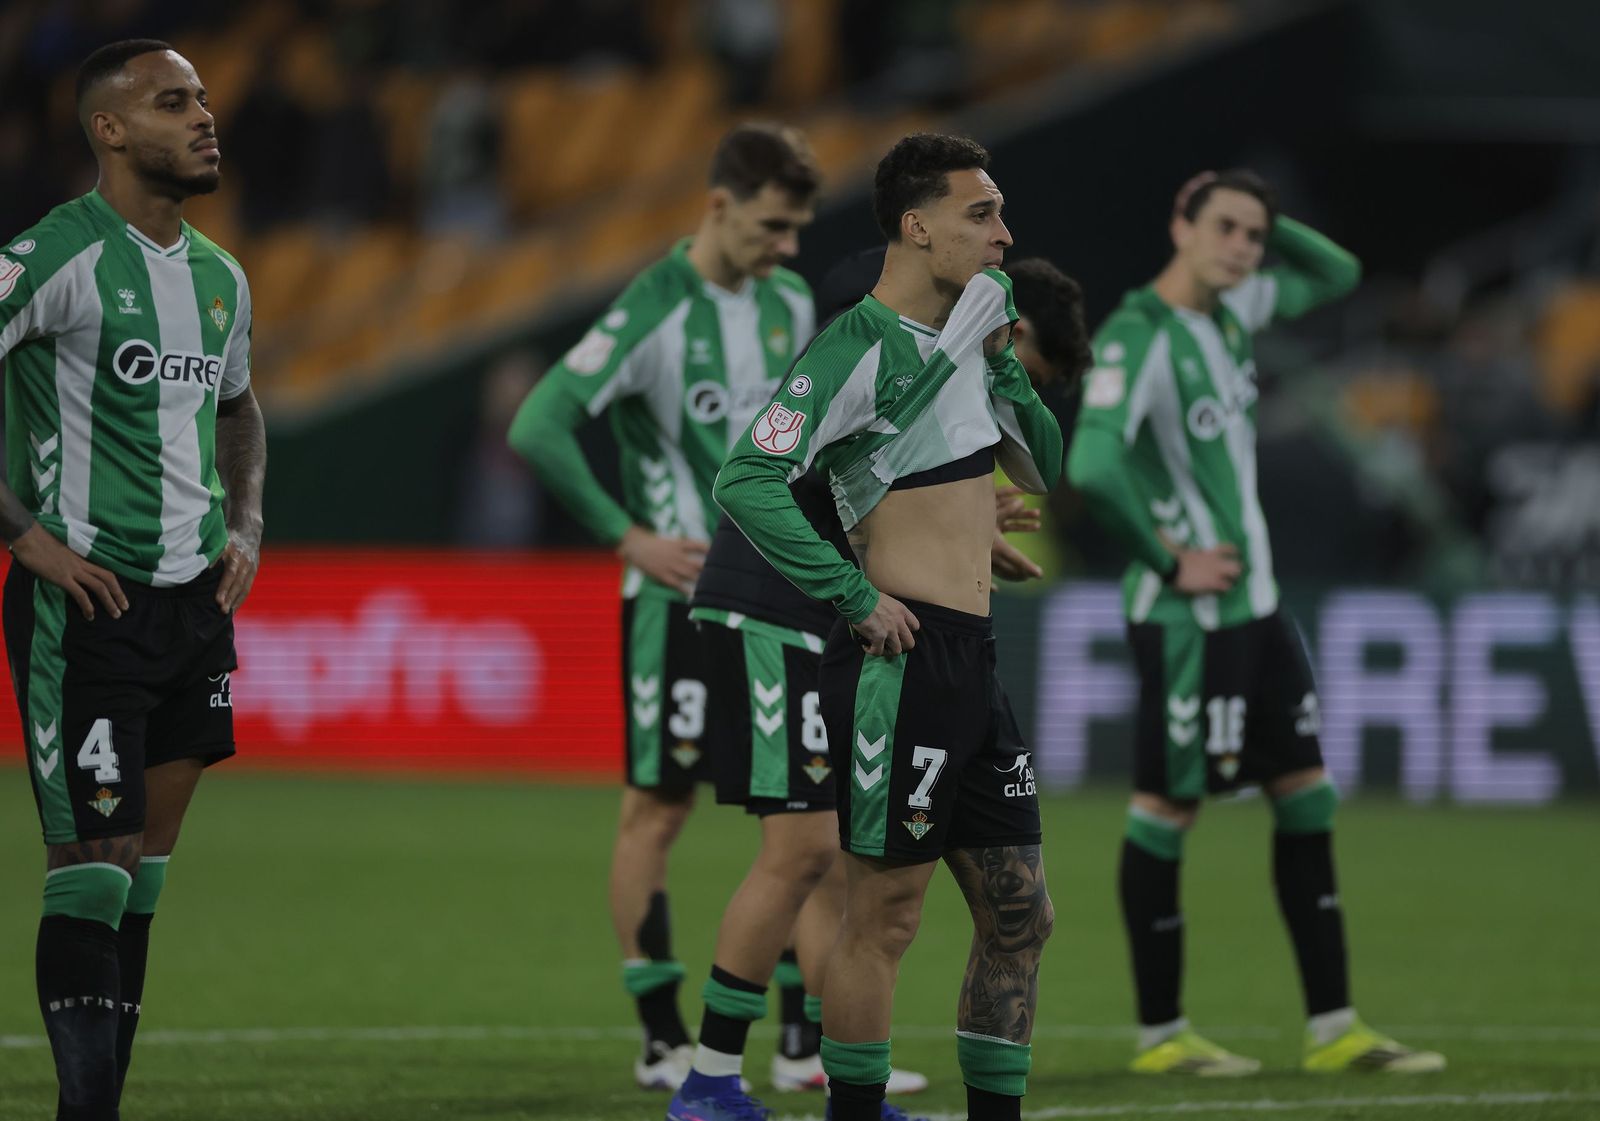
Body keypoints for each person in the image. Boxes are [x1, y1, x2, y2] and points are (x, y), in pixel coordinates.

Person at [667, 254, 1086, 1118]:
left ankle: (799, 1050)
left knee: (974, 899)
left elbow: (938, 467)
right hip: (787, 609)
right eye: (981, 214)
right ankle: (714, 1075)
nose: (999, 236)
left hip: (918, 635)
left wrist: (962, 523)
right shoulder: (874, 336)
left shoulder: (963, 359)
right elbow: (795, 468)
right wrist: (864, 584)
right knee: (807, 854)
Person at [1066, 169, 1445, 1076]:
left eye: (1254, 235)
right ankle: (1162, 1034)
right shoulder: (1138, 335)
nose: (1242, 248)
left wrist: (1266, 219)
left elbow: (1340, 273)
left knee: (1307, 793)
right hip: (1188, 617)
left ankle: (1336, 1027)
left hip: (1258, 607)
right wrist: (1169, 559)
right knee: (1169, 805)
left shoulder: (1232, 310)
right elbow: (1091, 464)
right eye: (1225, 227)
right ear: (1180, 225)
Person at [506, 122, 819, 1090]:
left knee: (807, 811)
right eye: (771, 226)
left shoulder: (790, 301)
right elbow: (540, 423)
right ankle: (659, 1035)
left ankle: (803, 1045)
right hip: (676, 601)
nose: (788, 247)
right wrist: (625, 532)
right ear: (719, 205)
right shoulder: (653, 306)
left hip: (779, 597)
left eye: (797, 229)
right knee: (658, 807)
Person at [0, 39, 267, 1120]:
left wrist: (247, 519)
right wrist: (24, 536)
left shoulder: (221, 276)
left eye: (201, 97)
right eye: (171, 102)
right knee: (95, 865)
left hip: (194, 603)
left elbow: (240, 406)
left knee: (142, 877)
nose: (204, 115)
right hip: (87, 605)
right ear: (109, 130)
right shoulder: (48, 257)